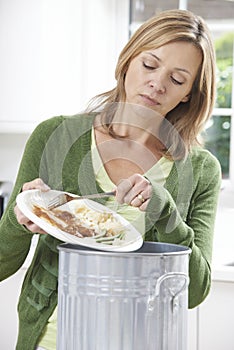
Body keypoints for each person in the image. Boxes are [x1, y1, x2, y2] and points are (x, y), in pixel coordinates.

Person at [0, 9, 221, 350]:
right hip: (51, 340)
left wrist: (166, 215)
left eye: (177, 80)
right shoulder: (54, 136)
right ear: (128, 60)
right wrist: (19, 221)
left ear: (189, 93)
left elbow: (194, 293)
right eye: (149, 65)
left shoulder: (201, 169)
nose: (157, 83)